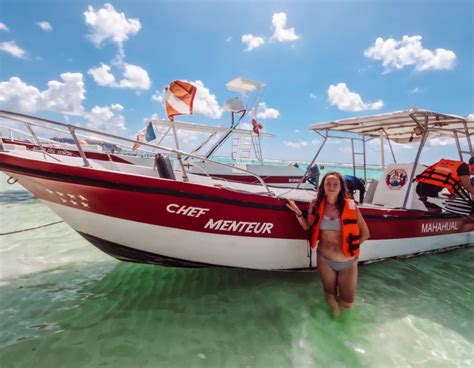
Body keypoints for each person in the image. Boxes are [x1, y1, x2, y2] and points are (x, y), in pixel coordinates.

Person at [286, 172, 370, 316]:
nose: (331, 187)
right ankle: (332, 327)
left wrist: (351, 249)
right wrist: (298, 213)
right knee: (330, 298)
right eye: (328, 183)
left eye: (335, 184)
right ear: (322, 186)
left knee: (347, 304)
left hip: (348, 263)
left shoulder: (351, 206)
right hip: (325, 260)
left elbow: (366, 234)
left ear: (341, 187)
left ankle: (341, 330)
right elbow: (308, 228)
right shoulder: (315, 205)